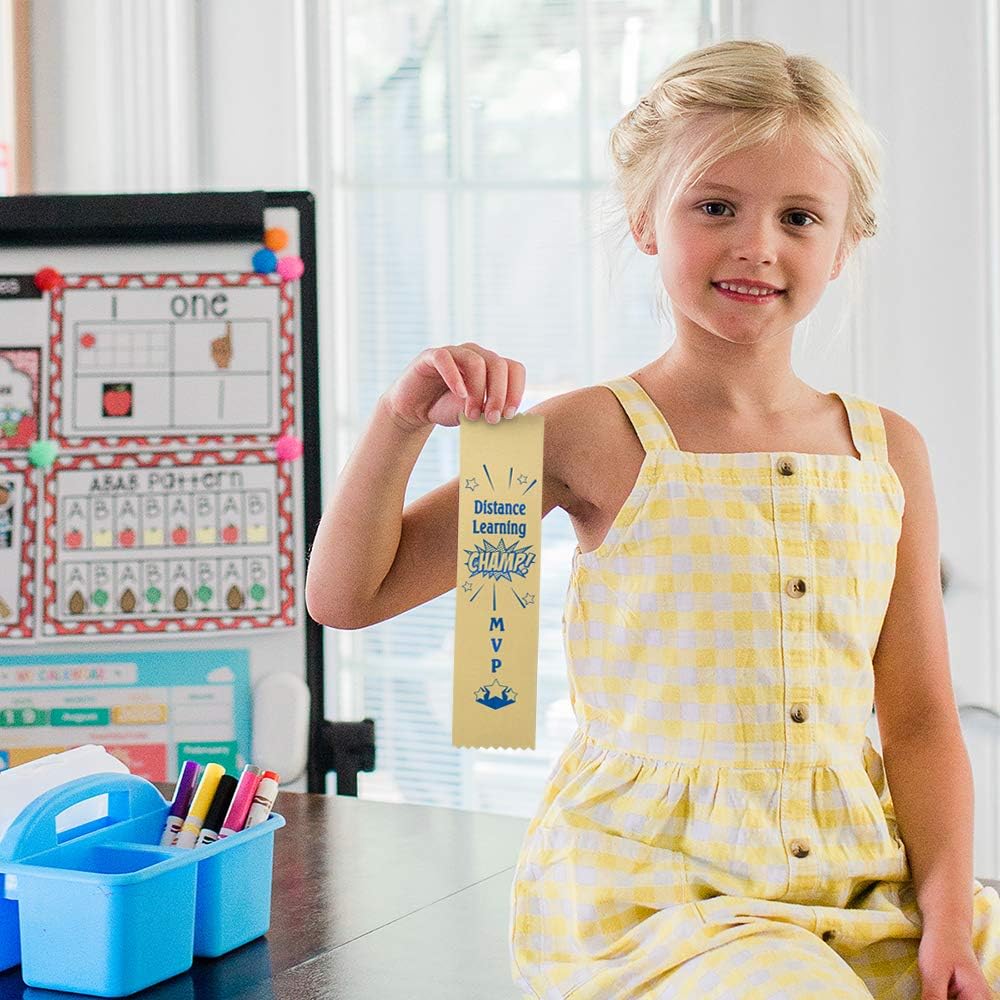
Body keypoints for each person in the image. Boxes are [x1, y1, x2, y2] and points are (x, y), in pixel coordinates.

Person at [305, 37, 1000, 1000]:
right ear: (645, 220)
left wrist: (951, 920)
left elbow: (919, 721)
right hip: (660, 895)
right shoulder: (587, 434)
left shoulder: (890, 452)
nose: (757, 244)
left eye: (799, 217)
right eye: (715, 207)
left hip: (863, 879)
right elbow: (349, 595)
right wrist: (401, 421)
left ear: (844, 245)